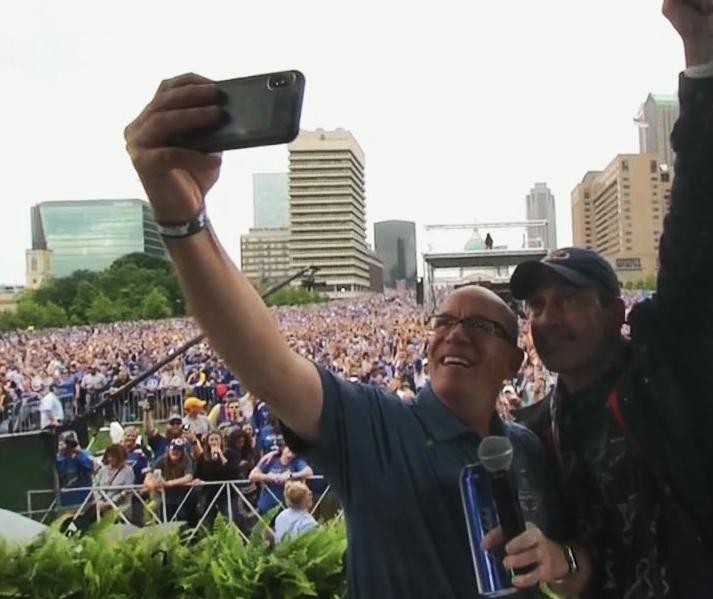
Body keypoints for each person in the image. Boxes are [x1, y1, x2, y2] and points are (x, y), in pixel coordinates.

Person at [126, 83, 561, 598]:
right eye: (443, 322)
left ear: (514, 361)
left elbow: (586, 560)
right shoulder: (375, 424)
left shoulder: (529, 451)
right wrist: (184, 220)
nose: (455, 335)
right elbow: (265, 363)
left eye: (480, 326)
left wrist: (561, 557)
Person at [505, 2, 713, 597]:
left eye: (567, 300)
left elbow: (699, 218)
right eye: (535, 307)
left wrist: (702, 55)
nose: (547, 318)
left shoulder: (675, 358)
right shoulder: (538, 434)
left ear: (616, 311)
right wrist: (559, 562)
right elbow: (582, 567)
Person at [249, 444, 313, 515]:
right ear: (283, 448)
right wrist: (270, 477)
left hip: (288, 506)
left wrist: (290, 475)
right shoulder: (270, 459)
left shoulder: (297, 461)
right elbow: (252, 476)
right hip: (267, 504)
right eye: (289, 448)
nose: (292, 451)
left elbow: (309, 472)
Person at [145, 437, 195, 523]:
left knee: (183, 516)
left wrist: (169, 483)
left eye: (178, 450)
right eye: (173, 449)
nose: (175, 452)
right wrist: (153, 485)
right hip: (165, 495)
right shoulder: (162, 459)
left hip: (181, 494)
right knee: (163, 515)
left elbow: (189, 476)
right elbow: (149, 475)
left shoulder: (186, 459)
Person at [93, 444, 135, 519]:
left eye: (113, 457)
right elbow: (95, 486)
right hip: (101, 506)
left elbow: (127, 490)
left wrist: (110, 503)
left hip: (119, 509)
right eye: (109, 456)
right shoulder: (103, 470)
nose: (110, 459)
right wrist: (98, 500)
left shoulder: (128, 471)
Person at [56, 431, 95, 508]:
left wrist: (79, 453)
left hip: (84, 497)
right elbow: (57, 471)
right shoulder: (59, 458)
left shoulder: (84, 454)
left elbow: (90, 468)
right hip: (66, 498)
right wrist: (61, 453)